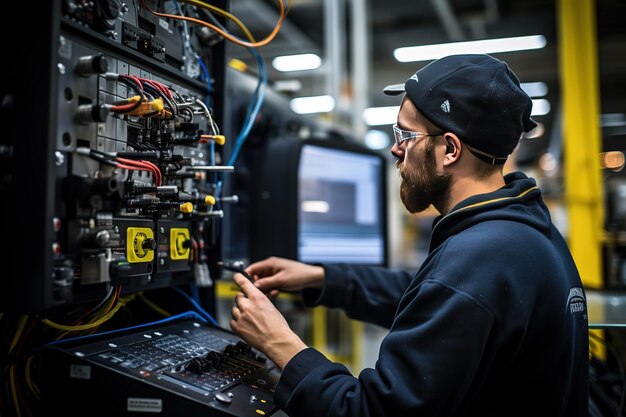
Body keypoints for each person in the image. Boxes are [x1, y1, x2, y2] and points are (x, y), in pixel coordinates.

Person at [229, 54, 589, 417]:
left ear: (449, 149)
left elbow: (370, 411)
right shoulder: (521, 229)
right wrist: (323, 279)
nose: (395, 148)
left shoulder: (477, 258)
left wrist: (283, 346)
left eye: (405, 134)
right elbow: (432, 298)